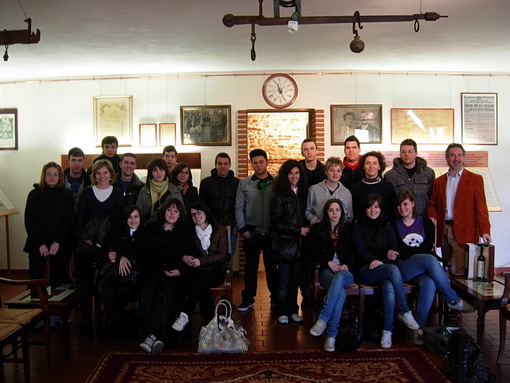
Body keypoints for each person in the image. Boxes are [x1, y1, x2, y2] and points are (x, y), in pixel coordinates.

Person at [392, 190, 475, 345]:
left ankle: (418, 329)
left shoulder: (426, 223)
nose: (402, 208)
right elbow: (400, 252)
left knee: (429, 284)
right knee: (429, 259)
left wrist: (409, 252)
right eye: (399, 205)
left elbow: (426, 247)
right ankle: (452, 299)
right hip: (404, 268)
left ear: (413, 203)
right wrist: (412, 252)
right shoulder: (394, 225)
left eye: (405, 204)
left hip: (422, 267)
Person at [352, 193, 420, 349]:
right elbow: (360, 251)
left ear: (381, 209)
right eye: (369, 207)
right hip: (365, 270)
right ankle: (404, 310)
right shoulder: (357, 225)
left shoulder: (387, 226)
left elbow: (394, 252)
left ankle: (387, 331)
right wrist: (373, 260)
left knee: (389, 285)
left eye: (376, 206)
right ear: (365, 209)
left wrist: (381, 261)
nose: (373, 210)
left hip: (383, 269)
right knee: (393, 270)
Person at [427, 143, 491, 277]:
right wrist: (432, 216)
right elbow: (433, 204)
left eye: (460, 155)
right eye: (452, 155)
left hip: (464, 231)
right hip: (444, 230)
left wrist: (485, 231)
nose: (456, 158)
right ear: (446, 158)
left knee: (459, 271)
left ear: (464, 157)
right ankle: (450, 297)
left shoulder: (475, 179)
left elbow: (481, 208)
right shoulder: (439, 181)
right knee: (447, 268)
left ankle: (460, 298)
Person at [75, 159, 125, 327]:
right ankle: (86, 314)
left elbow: (120, 222)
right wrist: (84, 237)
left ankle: (112, 313)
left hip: (108, 246)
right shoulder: (86, 193)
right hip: (87, 244)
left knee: (109, 281)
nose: (102, 176)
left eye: (105, 173)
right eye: (98, 173)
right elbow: (80, 219)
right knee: (85, 281)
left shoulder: (118, 193)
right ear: (94, 176)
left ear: (111, 175)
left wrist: (111, 245)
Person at [139, 198, 192, 354]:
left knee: (163, 296)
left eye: (176, 211)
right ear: (163, 211)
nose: (172, 213)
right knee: (146, 294)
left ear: (180, 214)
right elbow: (144, 254)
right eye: (169, 210)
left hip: (173, 274)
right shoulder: (151, 228)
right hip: (153, 272)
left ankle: (151, 337)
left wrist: (180, 270)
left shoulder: (184, 231)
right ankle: (157, 336)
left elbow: (189, 256)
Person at [171, 201, 229, 332]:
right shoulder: (190, 232)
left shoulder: (219, 230)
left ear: (205, 212)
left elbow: (223, 255)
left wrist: (201, 261)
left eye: (199, 212)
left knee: (201, 279)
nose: (197, 216)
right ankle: (210, 325)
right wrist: (184, 257)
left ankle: (185, 314)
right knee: (201, 283)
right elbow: (181, 250)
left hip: (216, 271)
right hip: (196, 271)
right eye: (193, 214)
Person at [309, 199, 357, 351]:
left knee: (341, 277)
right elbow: (312, 252)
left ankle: (323, 319)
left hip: (346, 273)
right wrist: (328, 262)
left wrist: (346, 265)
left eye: (338, 210)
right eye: (331, 210)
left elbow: (355, 252)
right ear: (326, 212)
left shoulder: (349, 229)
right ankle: (331, 336)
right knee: (340, 293)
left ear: (342, 212)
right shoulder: (318, 229)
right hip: (327, 272)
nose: (335, 213)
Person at [235, 149, 278, 311]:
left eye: (261, 162)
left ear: (267, 162)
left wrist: (277, 229)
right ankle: (248, 299)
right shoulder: (244, 183)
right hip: (251, 232)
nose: (258, 165)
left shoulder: (276, 182)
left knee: (272, 267)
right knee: (250, 268)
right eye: (255, 162)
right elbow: (239, 207)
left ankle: (275, 299)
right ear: (251, 163)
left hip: (271, 233)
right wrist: (243, 229)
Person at [270, 160, 310, 324]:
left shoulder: (304, 192)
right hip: (285, 244)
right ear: (286, 175)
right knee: (283, 281)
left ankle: (293, 310)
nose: (294, 176)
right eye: (291, 173)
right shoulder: (280, 194)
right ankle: (282, 311)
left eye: (297, 173)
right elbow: (276, 221)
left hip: (301, 245)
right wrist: (297, 229)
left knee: (295, 281)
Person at [97, 204, 146, 338]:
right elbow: (101, 253)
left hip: (131, 276)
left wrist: (126, 256)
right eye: (129, 217)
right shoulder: (116, 230)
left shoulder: (144, 232)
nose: (133, 220)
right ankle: (116, 319)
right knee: (104, 290)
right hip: (111, 273)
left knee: (123, 292)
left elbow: (143, 252)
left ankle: (117, 321)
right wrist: (109, 255)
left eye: (136, 217)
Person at [24, 162, 74, 288]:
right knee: (35, 276)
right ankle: (34, 305)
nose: (52, 177)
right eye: (49, 174)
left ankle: (57, 306)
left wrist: (57, 242)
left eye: (55, 174)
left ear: (60, 176)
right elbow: (30, 221)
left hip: (60, 243)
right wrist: (40, 243)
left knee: (60, 277)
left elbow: (67, 220)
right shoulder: (34, 194)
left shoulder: (67, 194)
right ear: (44, 175)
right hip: (37, 243)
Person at [199, 152, 240, 257]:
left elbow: (240, 205)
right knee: (210, 255)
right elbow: (202, 205)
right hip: (211, 226)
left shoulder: (237, 183)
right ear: (215, 165)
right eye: (220, 163)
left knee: (228, 256)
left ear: (230, 165)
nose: (222, 166)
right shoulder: (206, 182)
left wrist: (237, 223)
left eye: (225, 163)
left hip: (230, 226)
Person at [384, 139, 435, 216]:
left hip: (423, 219)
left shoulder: (428, 173)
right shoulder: (390, 175)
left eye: (410, 151)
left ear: (416, 153)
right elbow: (388, 202)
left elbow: (433, 198)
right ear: (400, 154)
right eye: (403, 152)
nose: (406, 154)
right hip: (400, 221)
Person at [305, 156, 353, 225]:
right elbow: (307, 211)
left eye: (338, 170)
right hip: (319, 229)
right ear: (326, 172)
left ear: (341, 173)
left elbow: (349, 216)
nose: (335, 173)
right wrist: (314, 221)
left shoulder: (346, 193)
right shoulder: (313, 190)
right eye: (331, 170)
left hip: (339, 231)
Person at [350, 151, 396, 221]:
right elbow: (355, 213)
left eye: (375, 163)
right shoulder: (354, 189)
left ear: (379, 166)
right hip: (362, 229)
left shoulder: (388, 187)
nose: (371, 166)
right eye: (368, 163)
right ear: (363, 166)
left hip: (383, 228)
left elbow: (392, 212)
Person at [136, 157, 184, 222]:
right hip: (149, 228)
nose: (158, 173)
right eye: (155, 170)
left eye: (161, 170)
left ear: (165, 171)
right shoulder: (144, 191)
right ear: (151, 173)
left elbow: (182, 213)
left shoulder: (174, 191)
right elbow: (138, 213)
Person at [63, 147, 91, 212]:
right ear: (68, 161)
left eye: (80, 160)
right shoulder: (60, 180)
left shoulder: (90, 181)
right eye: (73, 160)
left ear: (83, 161)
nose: (76, 164)